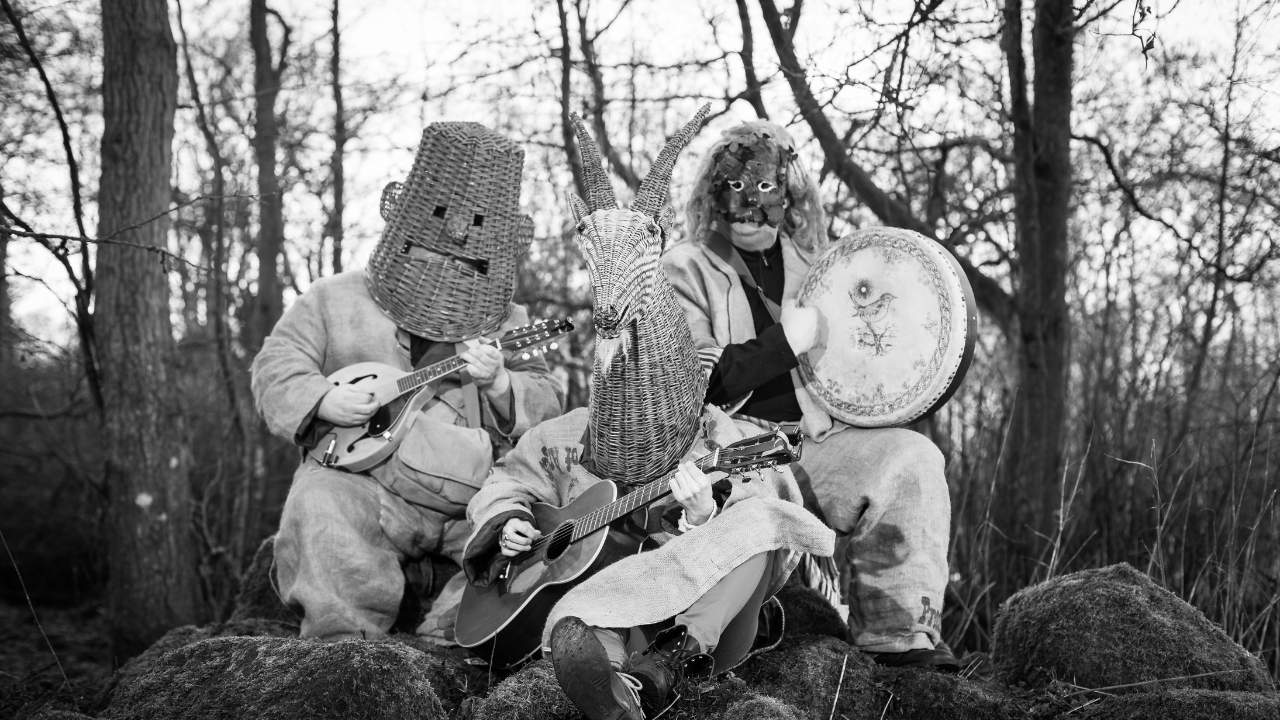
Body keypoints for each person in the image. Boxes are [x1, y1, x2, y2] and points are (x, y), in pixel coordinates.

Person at [461, 107, 834, 720]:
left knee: (761, 519)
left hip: (701, 619)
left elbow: (765, 524)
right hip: (604, 607)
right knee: (588, 618)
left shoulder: (719, 437)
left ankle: (665, 668)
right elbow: (506, 480)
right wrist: (508, 524)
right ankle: (617, 692)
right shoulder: (565, 437)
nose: (640, 398)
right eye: (625, 383)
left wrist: (701, 515)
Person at [251, 122, 564, 641]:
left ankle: (449, 642)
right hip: (362, 485)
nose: (447, 266)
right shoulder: (334, 298)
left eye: (468, 262)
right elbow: (275, 364)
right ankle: (344, 651)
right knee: (318, 503)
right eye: (431, 252)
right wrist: (322, 398)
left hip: (474, 499)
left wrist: (500, 384)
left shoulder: (509, 322)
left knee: (529, 546)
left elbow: (550, 407)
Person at [661, 120, 957, 670]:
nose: (749, 203)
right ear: (713, 192)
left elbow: (860, 363)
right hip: (732, 446)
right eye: (734, 186)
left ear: (788, 192)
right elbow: (694, 379)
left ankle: (898, 640)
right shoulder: (683, 267)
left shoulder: (821, 267)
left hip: (815, 441)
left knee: (912, 458)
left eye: (764, 186)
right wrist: (784, 343)